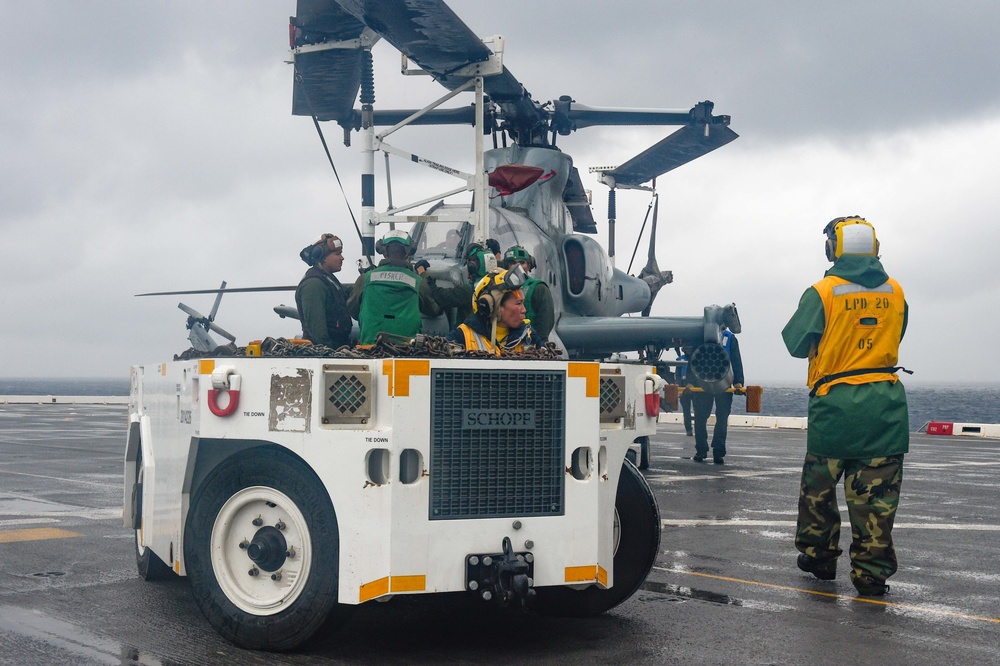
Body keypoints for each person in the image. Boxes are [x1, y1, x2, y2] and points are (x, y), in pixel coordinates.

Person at [781, 215, 909, 597]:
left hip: (835, 407)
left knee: (818, 489)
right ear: (876, 249)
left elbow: (795, 343)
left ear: (831, 249)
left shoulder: (822, 291)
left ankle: (819, 557)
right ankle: (871, 575)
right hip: (884, 408)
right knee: (878, 498)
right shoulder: (896, 291)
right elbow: (897, 332)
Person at [347, 230, 440, 344]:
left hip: (370, 347)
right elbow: (432, 310)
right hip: (407, 349)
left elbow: (353, 309)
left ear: (383, 251)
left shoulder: (365, 279)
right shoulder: (418, 282)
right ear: (408, 253)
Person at [446, 267, 542, 354]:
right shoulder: (462, 336)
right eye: (518, 303)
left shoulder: (529, 337)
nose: (524, 310)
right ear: (493, 306)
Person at [692, 326, 743, 464]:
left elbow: (735, 360)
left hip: (724, 383)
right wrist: (691, 382)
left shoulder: (730, 338)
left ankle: (718, 451)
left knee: (721, 418)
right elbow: (694, 358)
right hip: (703, 383)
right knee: (701, 417)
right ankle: (701, 450)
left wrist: (738, 381)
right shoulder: (701, 337)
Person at [295, 233, 353, 348]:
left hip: (338, 346)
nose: (342, 258)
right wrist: (329, 350)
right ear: (322, 256)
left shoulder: (329, 280)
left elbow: (344, 292)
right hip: (326, 351)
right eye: (337, 254)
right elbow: (316, 327)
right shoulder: (314, 284)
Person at [428, 241, 498, 329]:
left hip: (468, 338)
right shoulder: (498, 286)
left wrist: (425, 276)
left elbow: (440, 295)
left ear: (472, 267)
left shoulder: (469, 291)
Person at [502, 245, 555, 340]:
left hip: (530, 344)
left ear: (529, 266)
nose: (517, 267)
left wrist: (539, 344)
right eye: (512, 263)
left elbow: (545, 323)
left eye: (522, 263)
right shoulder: (498, 288)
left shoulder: (539, 289)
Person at [675, 346, 694, 436]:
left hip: (695, 387)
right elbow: (678, 375)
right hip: (683, 388)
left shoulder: (696, 359)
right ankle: (688, 429)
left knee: (698, 410)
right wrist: (678, 388)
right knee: (686, 411)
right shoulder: (680, 360)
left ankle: (697, 427)